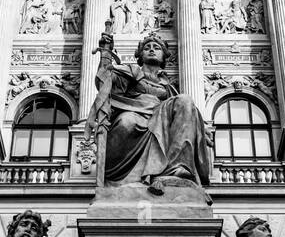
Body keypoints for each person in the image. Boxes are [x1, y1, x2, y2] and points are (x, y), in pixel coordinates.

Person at [86, 30, 212, 199]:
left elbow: (184, 114)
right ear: (140, 54)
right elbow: (106, 82)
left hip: (160, 118)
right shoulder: (130, 71)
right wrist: (106, 54)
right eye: (147, 47)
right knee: (127, 122)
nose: (151, 49)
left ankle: (176, 168)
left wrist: (200, 127)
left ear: (164, 56)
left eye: (156, 47)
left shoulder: (168, 86)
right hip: (134, 113)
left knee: (185, 100)